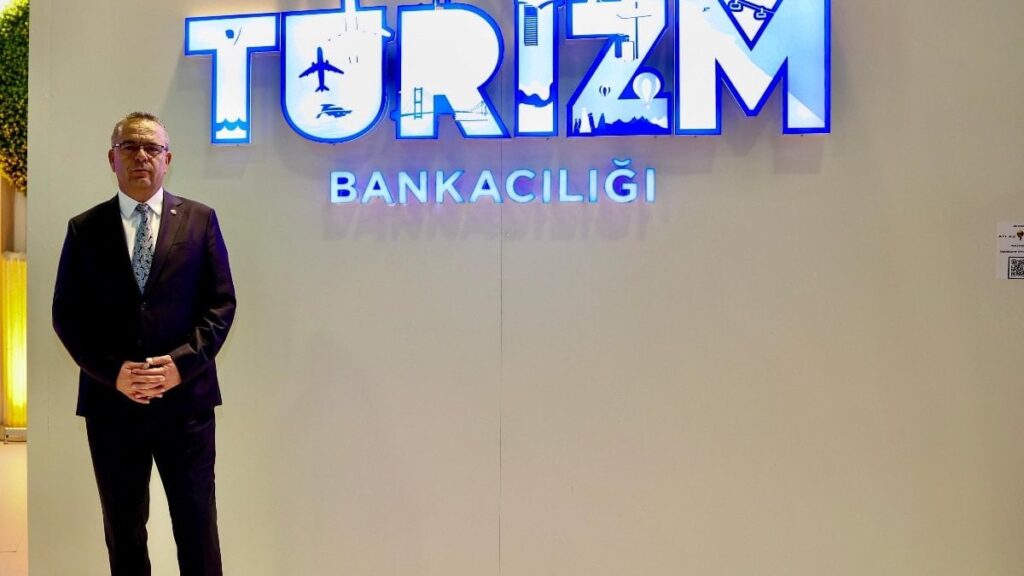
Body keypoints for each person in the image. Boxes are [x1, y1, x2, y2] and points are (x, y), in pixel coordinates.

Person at [52, 112, 236, 576]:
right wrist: (113, 372)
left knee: (197, 528)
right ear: (111, 158)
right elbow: (67, 315)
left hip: (186, 406)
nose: (141, 156)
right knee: (124, 530)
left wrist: (180, 365)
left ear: (167, 159)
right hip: (112, 407)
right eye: (129, 146)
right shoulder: (84, 228)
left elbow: (221, 305)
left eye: (152, 148)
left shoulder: (199, 220)